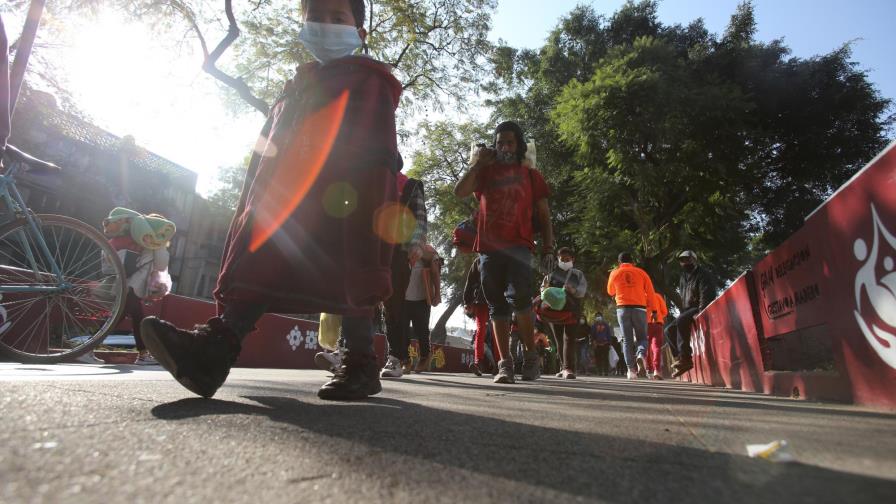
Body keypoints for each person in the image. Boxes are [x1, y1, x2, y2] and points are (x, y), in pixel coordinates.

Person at [140, 0, 403, 401]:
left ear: (360, 33)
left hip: (344, 201)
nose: (325, 26)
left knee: (352, 271)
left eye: (338, 18)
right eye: (316, 17)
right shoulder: (298, 85)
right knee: (261, 264)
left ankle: (362, 362)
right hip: (287, 202)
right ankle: (214, 351)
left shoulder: (369, 82)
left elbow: (377, 149)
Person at [454, 121, 555, 384]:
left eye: (509, 142)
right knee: (496, 305)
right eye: (500, 143)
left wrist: (549, 248)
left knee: (520, 298)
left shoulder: (531, 175)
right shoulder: (485, 173)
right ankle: (505, 364)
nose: (504, 147)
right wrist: (477, 164)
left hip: (520, 246)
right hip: (488, 248)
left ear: (519, 145)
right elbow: (459, 192)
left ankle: (531, 359)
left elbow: (544, 215)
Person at [379, 172, 427, 378]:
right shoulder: (366, 176)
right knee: (355, 297)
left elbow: (419, 217)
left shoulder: (409, 185)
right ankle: (347, 349)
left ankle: (396, 358)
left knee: (393, 306)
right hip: (368, 247)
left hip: (397, 252)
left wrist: (417, 243)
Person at [606, 252, 656, 380]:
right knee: (642, 338)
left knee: (627, 340)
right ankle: (640, 354)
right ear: (632, 261)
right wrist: (654, 310)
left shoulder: (614, 273)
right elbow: (650, 292)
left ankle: (631, 371)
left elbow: (610, 291)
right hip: (640, 309)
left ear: (619, 262)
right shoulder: (641, 272)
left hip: (622, 309)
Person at [669, 250, 717, 377]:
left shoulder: (703, 274)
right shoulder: (683, 277)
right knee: (668, 330)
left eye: (687, 259)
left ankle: (686, 358)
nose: (685, 262)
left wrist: (701, 311)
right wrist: (683, 312)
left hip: (699, 307)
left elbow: (707, 295)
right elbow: (683, 297)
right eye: (682, 260)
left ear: (694, 260)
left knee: (681, 321)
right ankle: (679, 359)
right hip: (687, 309)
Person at [542, 247, 587, 379]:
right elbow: (543, 289)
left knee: (569, 338)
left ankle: (569, 368)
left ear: (573, 259)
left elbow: (582, 291)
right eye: (562, 259)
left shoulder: (578, 274)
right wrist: (546, 289)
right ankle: (563, 367)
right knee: (558, 340)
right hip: (554, 312)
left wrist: (573, 291)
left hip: (572, 311)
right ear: (558, 259)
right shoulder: (551, 274)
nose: (565, 261)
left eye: (567, 259)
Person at [463, 258, 492, 376]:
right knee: (481, 329)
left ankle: (502, 362)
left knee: (497, 329)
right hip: (481, 299)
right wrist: (467, 301)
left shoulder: (502, 255)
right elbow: (470, 281)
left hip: (498, 299)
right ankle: (478, 362)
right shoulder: (478, 261)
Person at [646, 291, 668, 379]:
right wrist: (659, 316)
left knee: (647, 347)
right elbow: (665, 311)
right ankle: (657, 370)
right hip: (658, 324)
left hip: (645, 324)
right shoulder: (657, 296)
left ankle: (649, 370)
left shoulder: (641, 296)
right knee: (656, 347)